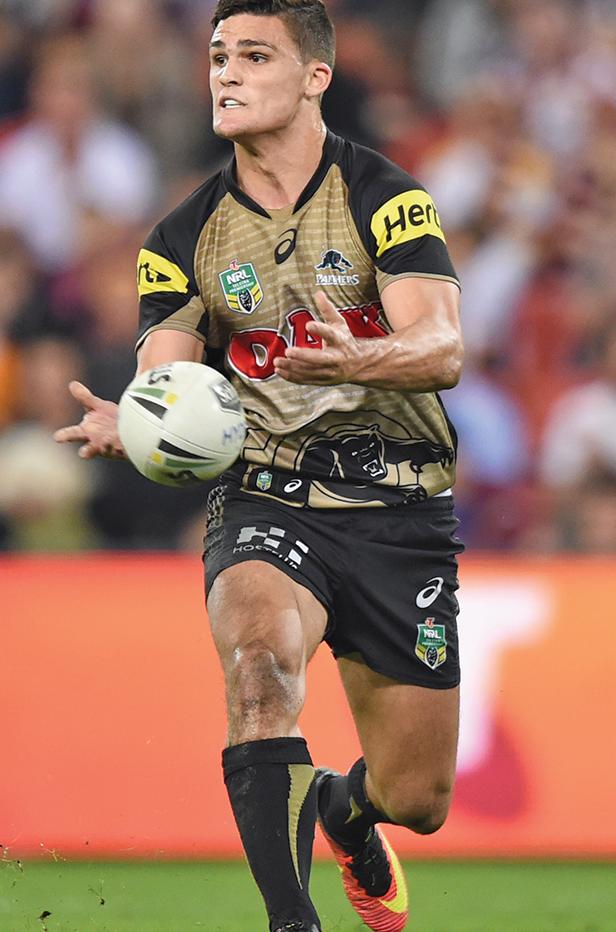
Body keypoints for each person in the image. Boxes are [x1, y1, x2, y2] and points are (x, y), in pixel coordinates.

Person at [55, 2, 464, 930]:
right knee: (259, 670)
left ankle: (347, 811)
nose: (226, 73)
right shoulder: (180, 238)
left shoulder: (384, 197)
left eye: (253, 55)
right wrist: (143, 420)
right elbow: (165, 372)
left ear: (316, 77)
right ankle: (292, 922)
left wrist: (358, 359)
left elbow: (442, 347)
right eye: (217, 56)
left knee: (419, 798)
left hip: (400, 508)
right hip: (267, 496)